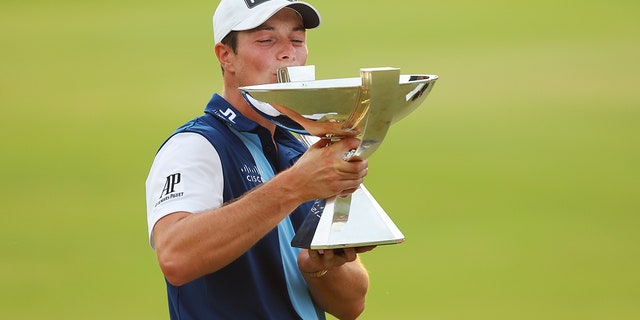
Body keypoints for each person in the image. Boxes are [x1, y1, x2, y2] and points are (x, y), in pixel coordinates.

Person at [145, 0, 376, 319]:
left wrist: (316, 270)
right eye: (266, 40)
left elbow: (352, 305)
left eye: (297, 40)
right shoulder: (195, 145)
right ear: (226, 56)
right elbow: (175, 258)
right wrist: (295, 186)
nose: (287, 53)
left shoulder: (308, 146)